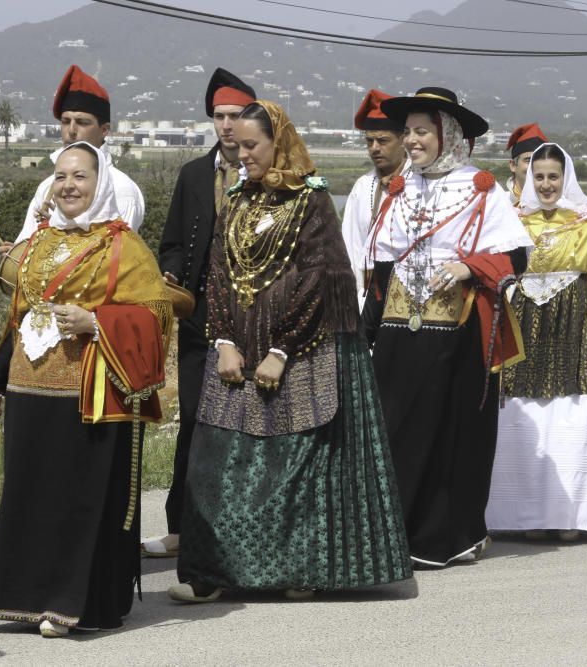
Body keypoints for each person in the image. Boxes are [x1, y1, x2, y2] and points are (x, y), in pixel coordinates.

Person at [168, 100, 411, 603]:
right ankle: (212, 572)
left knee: (292, 464)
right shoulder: (236, 199)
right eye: (238, 147)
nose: (243, 155)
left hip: (300, 348)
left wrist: (281, 350)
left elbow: (317, 279)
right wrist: (225, 342)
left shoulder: (311, 201)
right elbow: (217, 272)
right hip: (236, 348)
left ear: (279, 143)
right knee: (215, 462)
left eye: (253, 145)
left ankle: (295, 569)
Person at [0, 142, 172, 636]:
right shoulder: (38, 243)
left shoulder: (124, 247)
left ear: (100, 182)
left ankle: (69, 604)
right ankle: (23, 598)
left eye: (80, 177)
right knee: (29, 495)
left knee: (74, 499)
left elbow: (155, 317)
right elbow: (17, 317)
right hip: (28, 391)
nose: (68, 186)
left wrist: (96, 321)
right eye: (61, 176)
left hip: (86, 393)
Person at [363, 87, 533, 568]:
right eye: (409, 132)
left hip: (455, 332)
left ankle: (445, 536)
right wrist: (365, 332)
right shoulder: (401, 188)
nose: (411, 141)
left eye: (421, 132)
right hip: (401, 329)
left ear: (447, 135)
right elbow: (382, 266)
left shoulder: (480, 188)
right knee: (396, 429)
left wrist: (469, 268)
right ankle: (393, 533)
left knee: (448, 433)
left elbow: (518, 254)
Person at [485, 143, 587, 540]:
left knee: (570, 418)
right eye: (539, 177)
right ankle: (525, 515)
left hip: (571, 327)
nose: (547, 184)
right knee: (526, 418)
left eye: (554, 176)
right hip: (524, 329)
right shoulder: (512, 222)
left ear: (566, 177)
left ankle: (568, 515)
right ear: (528, 178)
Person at [144, 68, 256, 559]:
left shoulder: (266, 175)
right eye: (219, 116)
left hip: (250, 321)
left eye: (235, 116)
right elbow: (171, 244)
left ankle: (240, 525)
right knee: (192, 419)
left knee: (244, 423)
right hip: (195, 320)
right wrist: (170, 277)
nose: (227, 126)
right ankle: (179, 527)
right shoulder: (193, 174)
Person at [0, 64, 144, 254]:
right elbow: (26, 247)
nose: (72, 131)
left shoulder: (121, 189)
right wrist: (15, 255)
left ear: (104, 129)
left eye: (82, 122)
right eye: (66, 122)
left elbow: (116, 259)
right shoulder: (47, 187)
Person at [342, 88, 409, 307]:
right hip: (365, 299)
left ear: (403, 139)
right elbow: (350, 246)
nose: (374, 148)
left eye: (382, 140)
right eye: (369, 141)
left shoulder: (420, 183)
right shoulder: (363, 187)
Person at [505, 123, 548, 206]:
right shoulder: (498, 203)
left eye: (541, 160)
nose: (536, 166)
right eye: (529, 160)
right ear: (513, 165)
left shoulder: (561, 208)